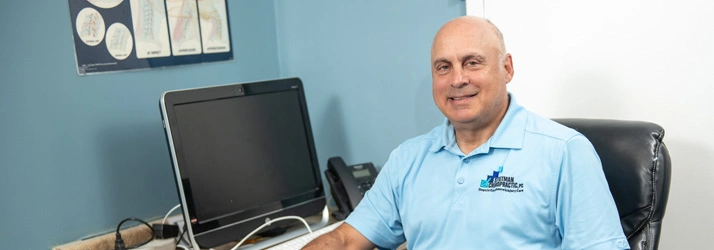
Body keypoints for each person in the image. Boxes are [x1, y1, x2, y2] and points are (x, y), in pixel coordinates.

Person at [303, 16, 628, 250]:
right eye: (443, 67)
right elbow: (346, 240)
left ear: (507, 68)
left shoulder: (565, 152)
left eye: (472, 63)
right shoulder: (408, 158)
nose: (457, 79)